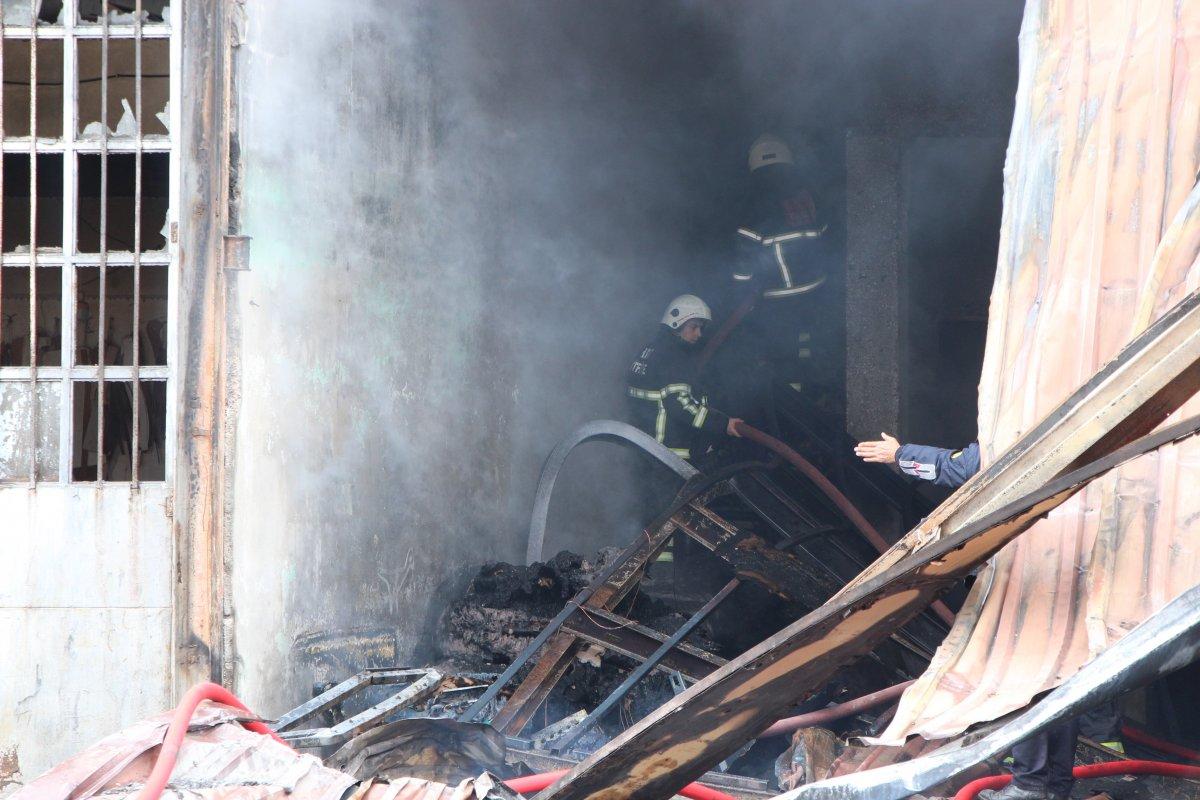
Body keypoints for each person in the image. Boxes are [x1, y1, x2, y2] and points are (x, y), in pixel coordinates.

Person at [855, 432, 1122, 800]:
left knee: (1023, 680)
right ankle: (1054, 785)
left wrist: (899, 454)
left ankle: (1030, 784)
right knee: (1058, 680)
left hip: (1032, 582)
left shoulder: (1023, 430)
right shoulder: (1101, 436)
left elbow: (961, 467)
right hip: (1080, 581)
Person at [626, 294, 742, 464]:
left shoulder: (649, 350)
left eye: (701, 328)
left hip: (643, 452)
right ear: (676, 323)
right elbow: (681, 404)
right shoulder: (673, 356)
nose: (699, 334)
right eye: (694, 327)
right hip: (668, 457)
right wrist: (724, 424)